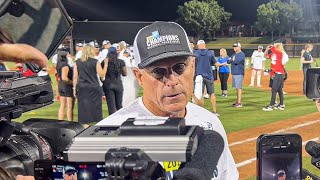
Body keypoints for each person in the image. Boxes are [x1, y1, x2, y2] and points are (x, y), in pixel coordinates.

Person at [97, 21, 238, 180]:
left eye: (179, 67)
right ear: (140, 77)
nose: (172, 80)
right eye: (158, 71)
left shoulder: (210, 124)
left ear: (192, 66)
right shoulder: (108, 137)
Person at [73, 44, 108, 127]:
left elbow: (75, 77)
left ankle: (85, 125)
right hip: (94, 86)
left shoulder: (77, 62)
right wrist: (106, 65)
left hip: (82, 87)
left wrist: (74, 88)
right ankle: (96, 123)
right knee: (96, 107)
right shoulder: (95, 62)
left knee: (83, 107)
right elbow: (102, 74)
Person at [194, 40, 219, 115]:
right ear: (204, 45)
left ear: (198, 45)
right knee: (212, 93)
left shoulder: (195, 53)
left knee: (200, 94)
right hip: (209, 76)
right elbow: (216, 64)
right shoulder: (210, 53)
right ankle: (215, 111)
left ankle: (202, 112)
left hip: (199, 77)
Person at [101, 47, 127, 115]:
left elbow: (102, 75)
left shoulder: (104, 62)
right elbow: (125, 73)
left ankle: (112, 123)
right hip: (118, 84)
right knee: (119, 105)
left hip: (108, 85)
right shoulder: (121, 62)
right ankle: (121, 121)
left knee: (111, 107)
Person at [262, 43, 286, 111]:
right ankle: (281, 105)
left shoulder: (280, 54)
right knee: (279, 90)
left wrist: (272, 46)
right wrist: (267, 49)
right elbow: (265, 56)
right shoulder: (274, 54)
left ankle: (271, 105)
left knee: (274, 90)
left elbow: (273, 49)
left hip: (278, 74)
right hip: (274, 74)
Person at [56, 48, 75, 121]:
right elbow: (64, 78)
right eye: (67, 54)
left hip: (61, 85)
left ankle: (60, 121)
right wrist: (72, 82)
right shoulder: (65, 65)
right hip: (67, 86)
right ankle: (70, 122)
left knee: (62, 105)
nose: (69, 55)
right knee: (70, 107)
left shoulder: (58, 64)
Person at [228, 42, 245, 108]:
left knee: (239, 88)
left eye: (235, 47)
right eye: (234, 47)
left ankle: (239, 102)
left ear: (239, 47)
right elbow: (228, 61)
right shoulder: (234, 54)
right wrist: (232, 60)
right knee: (236, 88)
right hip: (234, 72)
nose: (234, 48)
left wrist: (232, 60)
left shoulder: (241, 54)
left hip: (239, 72)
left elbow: (236, 61)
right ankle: (237, 101)